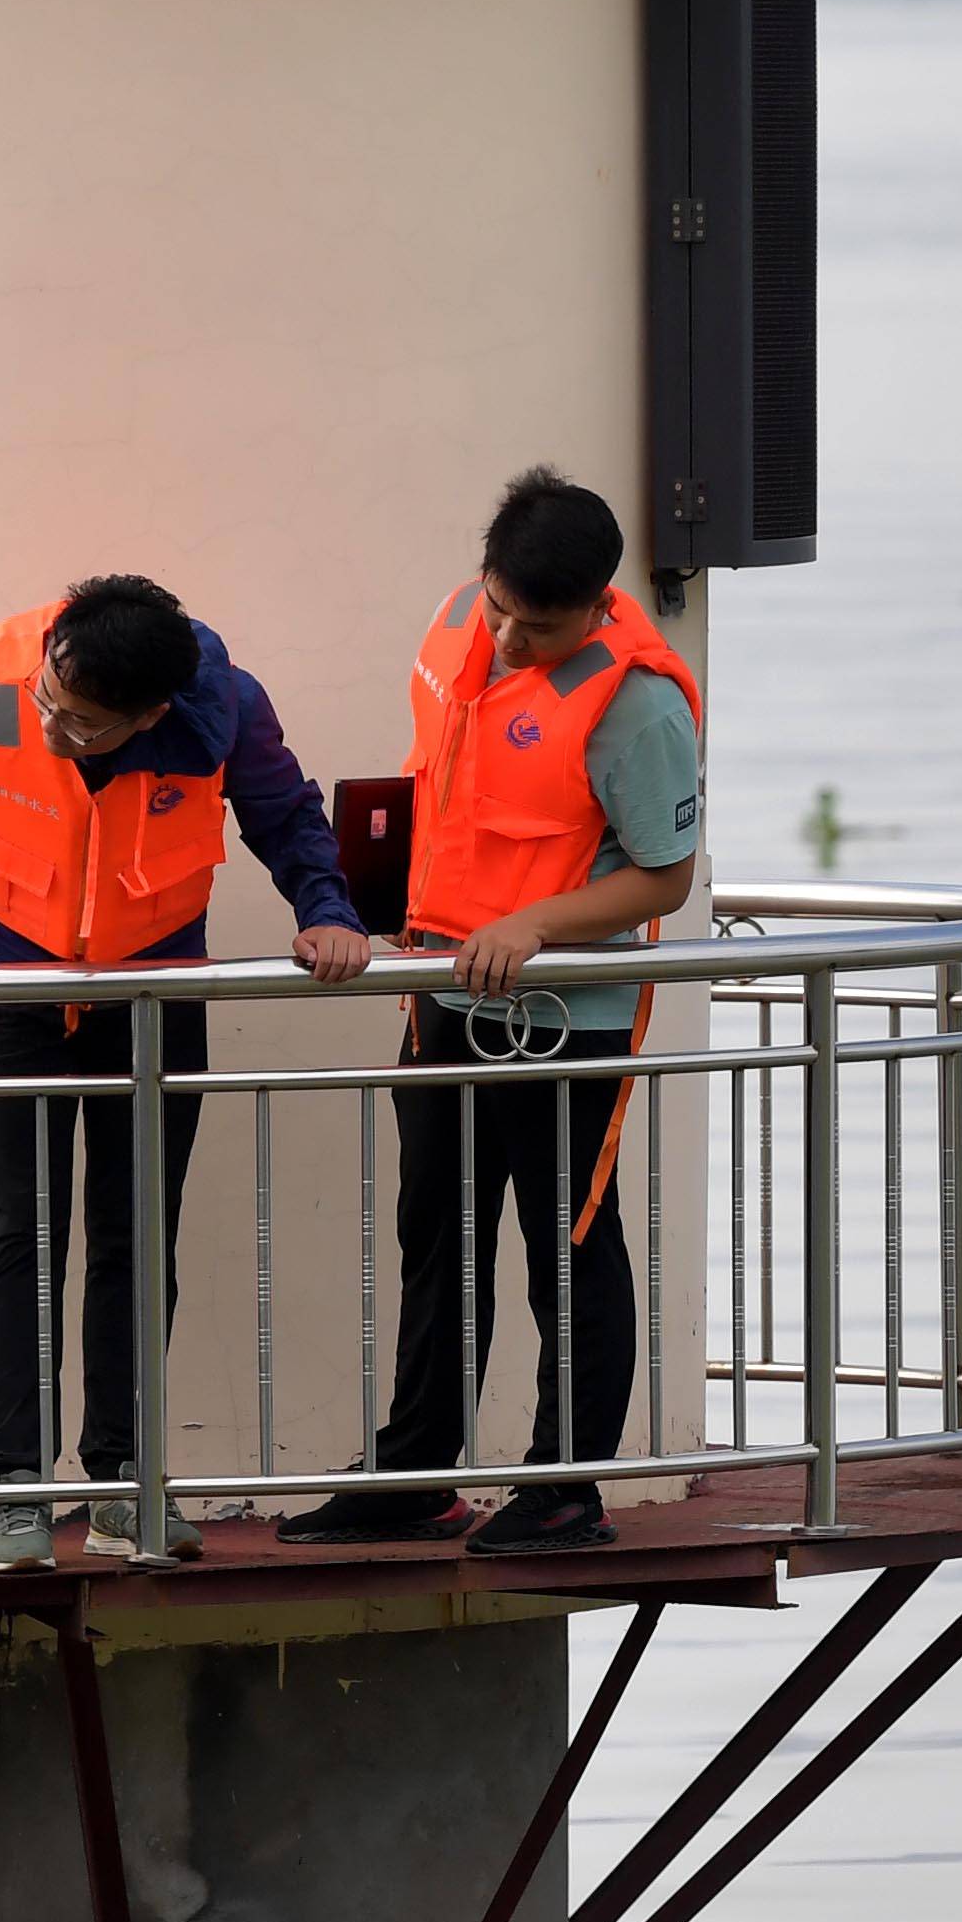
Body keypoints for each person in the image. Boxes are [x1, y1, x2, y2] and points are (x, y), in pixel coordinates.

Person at [0, 572, 370, 1497]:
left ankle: (122, 1479)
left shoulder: (222, 708)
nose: (52, 727)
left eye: (79, 724)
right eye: (49, 700)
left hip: (150, 991)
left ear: (149, 716)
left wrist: (325, 910)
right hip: (10, 980)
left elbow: (287, 815)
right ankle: (17, 1485)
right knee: (19, 1233)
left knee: (136, 1235)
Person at [287, 471, 702, 1552]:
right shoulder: (462, 624)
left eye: (543, 627)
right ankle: (416, 1470)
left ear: (599, 604)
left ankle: (566, 1486)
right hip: (439, 991)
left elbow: (665, 878)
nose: (513, 639)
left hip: (569, 1017)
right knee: (439, 1234)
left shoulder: (637, 702)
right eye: (503, 610)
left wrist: (538, 925)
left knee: (566, 1242)